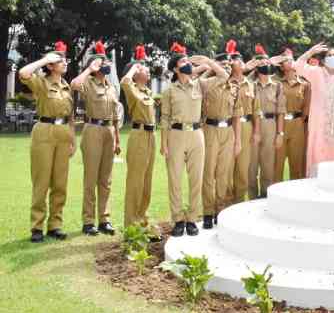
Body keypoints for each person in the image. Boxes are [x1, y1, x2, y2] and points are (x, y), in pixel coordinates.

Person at [160, 42, 228, 237]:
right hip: (175, 135)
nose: (187, 62)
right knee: (175, 179)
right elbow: (164, 118)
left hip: (197, 134)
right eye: (182, 61)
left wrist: (208, 62)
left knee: (196, 178)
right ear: (175, 68)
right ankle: (178, 220)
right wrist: (164, 143)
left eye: (187, 59)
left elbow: (223, 75)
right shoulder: (169, 91)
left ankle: (191, 219)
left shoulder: (200, 84)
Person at [19, 42, 75, 243]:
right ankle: (37, 227)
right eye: (60, 60)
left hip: (63, 133)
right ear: (51, 65)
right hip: (44, 131)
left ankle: (55, 225)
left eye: (64, 59)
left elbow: (70, 116)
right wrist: (45, 59)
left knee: (60, 183)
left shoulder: (66, 86)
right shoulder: (41, 82)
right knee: (41, 181)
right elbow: (23, 73)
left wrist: (72, 139)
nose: (65, 62)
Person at [71, 41, 121, 237]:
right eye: (102, 63)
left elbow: (116, 116)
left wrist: (117, 139)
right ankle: (88, 221)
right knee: (90, 178)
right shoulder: (88, 83)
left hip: (109, 130)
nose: (106, 65)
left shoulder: (111, 87)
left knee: (106, 180)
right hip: (92, 129)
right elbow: (74, 84)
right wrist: (89, 69)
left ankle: (104, 219)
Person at [294, 43, 334, 176]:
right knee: (318, 155)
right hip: (319, 127)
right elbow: (297, 66)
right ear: (323, 60)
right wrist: (310, 52)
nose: (333, 57)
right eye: (329, 55)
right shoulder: (316, 73)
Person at [200, 40, 243, 228]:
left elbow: (237, 115)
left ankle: (220, 209)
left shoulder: (234, 87)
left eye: (228, 64)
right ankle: (208, 212)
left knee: (224, 174)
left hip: (228, 132)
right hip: (210, 129)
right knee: (209, 172)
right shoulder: (207, 84)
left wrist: (238, 141)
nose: (226, 67)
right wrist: (210, 66)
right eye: (222, 64)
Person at [121, 45, 158, 230]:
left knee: (147, 182)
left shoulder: (147, 92)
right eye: (144, 68)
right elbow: (124, 82)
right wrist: (136, 65)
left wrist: (140, 66)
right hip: (139, 135)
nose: (148, 70)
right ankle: (131, 225)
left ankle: (142, 220)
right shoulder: (132, 88)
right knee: (136, 181)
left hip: (152, 136)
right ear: (135, 73)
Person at [249, 45, 285, 198]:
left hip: (270, 125)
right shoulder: (250, 84)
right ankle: (251, 198)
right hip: (252, 126)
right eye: (261, 64)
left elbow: (281, 111)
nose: (265, 66)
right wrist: (256, 63)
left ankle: (264, 197)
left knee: (268, 165)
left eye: (267, 64)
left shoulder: (277, 86)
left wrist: (280, 133)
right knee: (251, 166)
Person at [231, 53, 263, 203]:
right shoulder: (225, 82)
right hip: (228, 127)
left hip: (246, 128)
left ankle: (238, 203)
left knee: (243, 170)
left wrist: (256, 132)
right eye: (236, 60)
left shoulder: (250, 85)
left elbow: (256, 110)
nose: (240, 62)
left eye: (241, 59)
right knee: (226, 169)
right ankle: (224, 204)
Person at [275, 52, 311, 182]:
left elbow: (306, 106)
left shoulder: (305, 84)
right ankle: (276, 191)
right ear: (281, 66)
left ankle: (296, 192)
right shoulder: (276, 83)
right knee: (277, 162)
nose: (290, 62)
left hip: (297, 124)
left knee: (297, 161)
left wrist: (301, 122)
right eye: (285, 60)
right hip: (280, 123)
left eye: (291, 59)